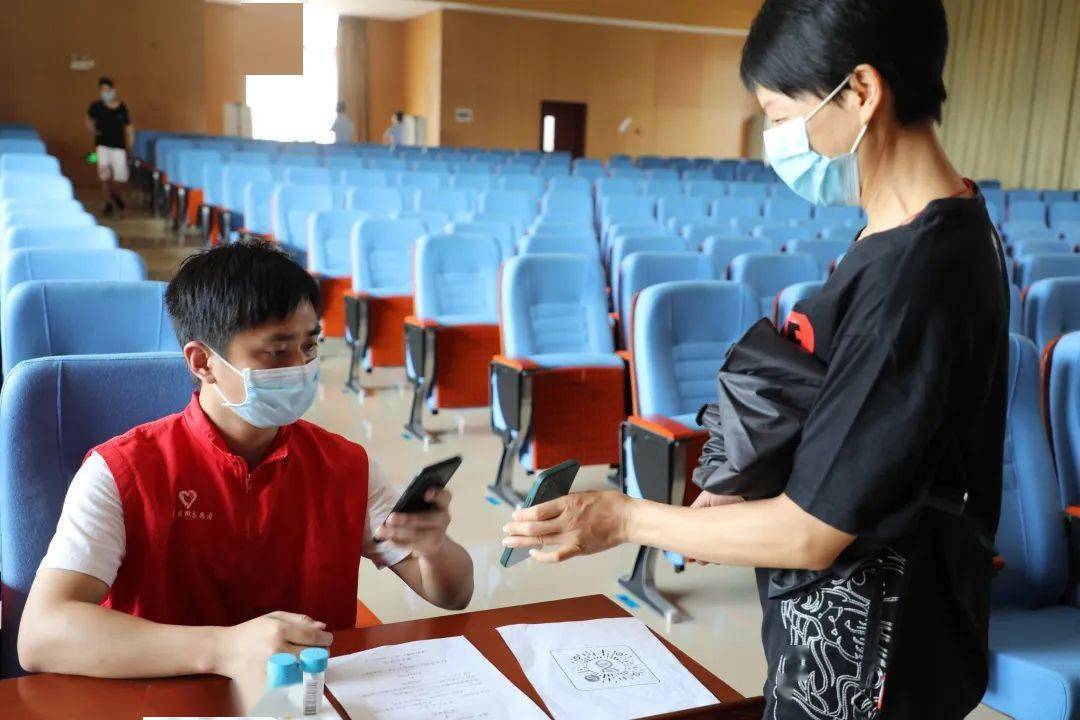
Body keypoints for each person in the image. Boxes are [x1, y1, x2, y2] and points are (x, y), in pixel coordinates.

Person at [502, 1, 1007, 718]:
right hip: (854, 637)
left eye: (778, 114)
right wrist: (746, 486)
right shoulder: (919, 228)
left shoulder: (917, 274)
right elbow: (865, 428)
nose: (775, 139)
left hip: (872, 665)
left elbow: (810, 532)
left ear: (861, 91)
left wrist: (623, 519)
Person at [18, 241, 474, 709]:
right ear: (202, 362)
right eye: (276, 352)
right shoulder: (124, 470)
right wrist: (226, 648)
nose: (301, 368)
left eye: (309, 345)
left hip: (302, 700)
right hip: (165, 697)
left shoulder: (345, 465)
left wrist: (435, 549)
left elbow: (454, 595)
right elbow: (41, 634)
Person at [85, 76, 133, 217]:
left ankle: (114, 194)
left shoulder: (122, 107)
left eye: (107, 90)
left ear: (113, 90)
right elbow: (87, 119)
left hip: (119, 146)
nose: (105, 93)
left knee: (121, 177)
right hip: (102, 146)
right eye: (102, 90)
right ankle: (108, 203)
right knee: (104, 175)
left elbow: (128, 126)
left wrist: (130, 142)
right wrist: (93, 129)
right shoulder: (96, 106)